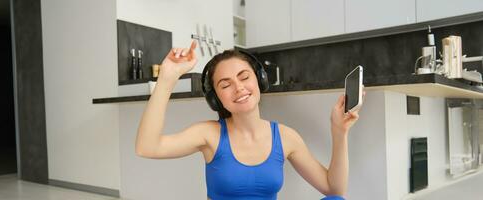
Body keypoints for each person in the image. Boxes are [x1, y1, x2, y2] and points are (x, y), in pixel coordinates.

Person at [136, 40, 362, 200]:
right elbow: (147, 147)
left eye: (244, 77)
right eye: (225, 85)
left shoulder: (285, 137)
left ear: (260, 80)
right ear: (217, 99)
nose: (239, 88)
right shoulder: (209, 135)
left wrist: (339, 132)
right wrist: (167, 78)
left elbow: (334, 189)